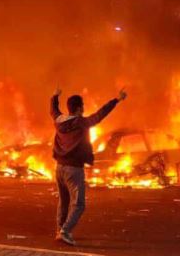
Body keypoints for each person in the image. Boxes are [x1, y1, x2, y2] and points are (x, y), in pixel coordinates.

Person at [51, 87, 126, 246]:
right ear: (78, 109)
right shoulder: (81, 122)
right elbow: (100, 115)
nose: (84, 109)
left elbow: (53, 110)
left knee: (64, 201)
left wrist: (55, 96)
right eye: (82, 106)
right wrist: (117, 100)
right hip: (74, 169)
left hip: (59, 168)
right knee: (79, 203)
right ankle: (65, 231)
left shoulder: (59, 121)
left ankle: (60, 229)